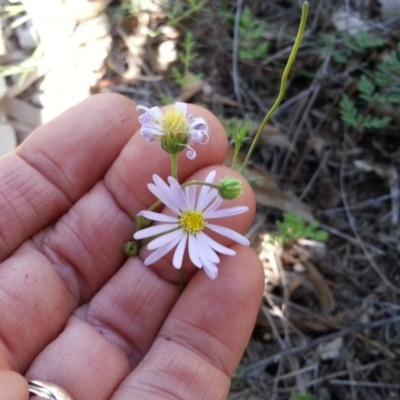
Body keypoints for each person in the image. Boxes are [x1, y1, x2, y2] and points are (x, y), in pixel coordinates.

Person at [0, 94, 263, 400]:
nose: (194, 221)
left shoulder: (194, 212)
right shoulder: (177, 213)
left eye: (195, 220)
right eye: (192, 219)